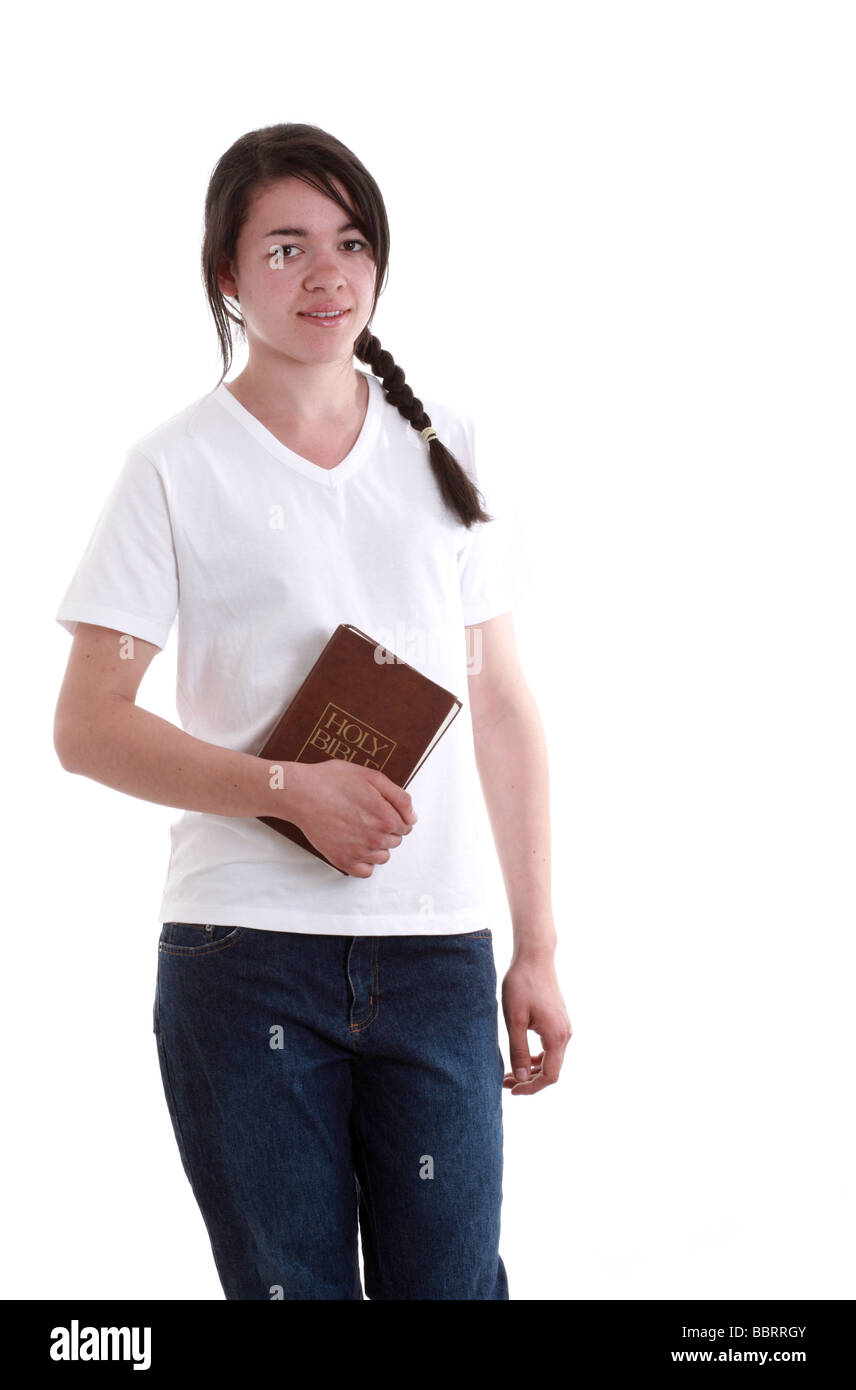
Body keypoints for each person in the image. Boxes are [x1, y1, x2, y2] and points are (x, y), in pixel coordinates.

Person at [53, 122, 572, 1301]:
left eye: (349, 241)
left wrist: (535, 945)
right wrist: (286, 788)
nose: (326, 273)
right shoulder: (173, 467)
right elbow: (86, 724)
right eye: (284, 248)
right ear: (227, 278)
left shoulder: (449, 447)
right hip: (243, 958)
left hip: (438, 949)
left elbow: (501, 706)